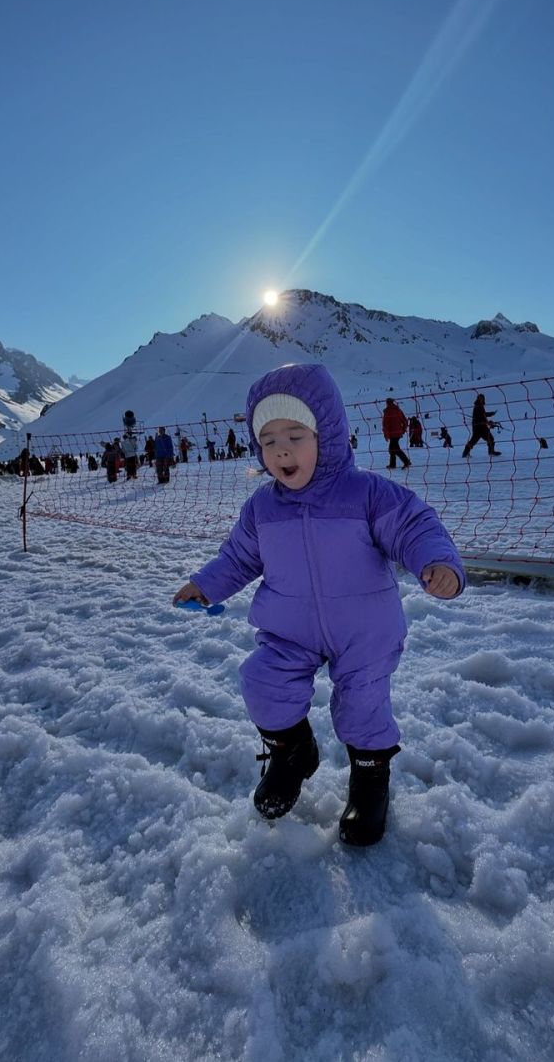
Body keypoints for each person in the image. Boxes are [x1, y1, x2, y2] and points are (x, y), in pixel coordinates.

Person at [172, 363, 464, 847]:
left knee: (363, 706)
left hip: (363, 630)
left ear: (327, 436)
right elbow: (238, 557)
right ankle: (292, 753)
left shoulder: (367, 493)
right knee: (261, 679)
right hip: (291, 628)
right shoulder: (262, 509)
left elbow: (415, 526)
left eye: (294, 434)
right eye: (267, 440)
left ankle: (370, 782)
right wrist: (205, 585)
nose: (281, 448)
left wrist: (438, 563)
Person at [382, 397, 411, 469]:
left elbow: (385, 424)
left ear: (387, 403)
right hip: (398, 433)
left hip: (392, 433)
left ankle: (406, 461)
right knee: (393, 448)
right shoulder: (398, 410)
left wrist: (386, 434)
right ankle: (393, 464)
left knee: (394, 449)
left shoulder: (387, 411)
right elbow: (405, 420)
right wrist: (403, 429)